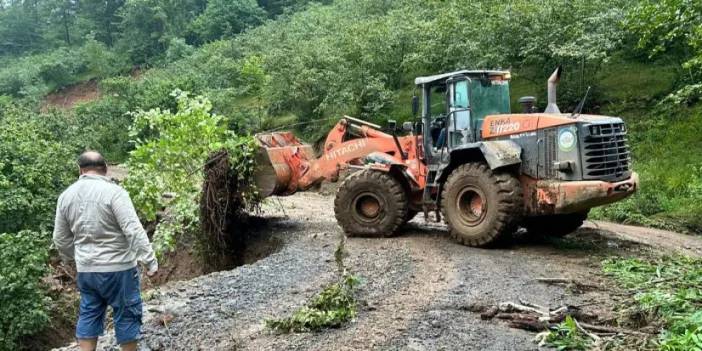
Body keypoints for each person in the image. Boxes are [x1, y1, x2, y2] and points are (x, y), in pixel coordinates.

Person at [53, 151, 158, 351]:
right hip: (120, 269)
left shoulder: (65, 196)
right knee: (127, 314)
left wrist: (74, 259)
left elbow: (60, 238)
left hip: (87, 270)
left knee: (89, 313)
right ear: (106, 169)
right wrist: (150, 261)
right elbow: (132, 229)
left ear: (80, 170)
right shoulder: (115, 193)